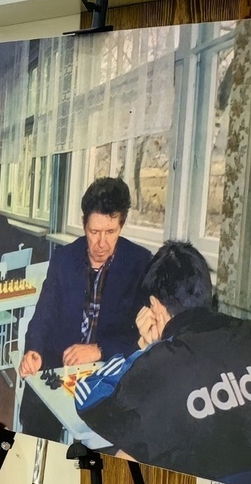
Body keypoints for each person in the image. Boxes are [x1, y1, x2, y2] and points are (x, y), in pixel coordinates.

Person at [75, 241, 251, 484]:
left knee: (126, 456)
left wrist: (141, 346)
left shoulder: (165, 359)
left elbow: (88, 398)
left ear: (155, 306)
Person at [17, 177, 151, 440]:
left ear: (122, 224)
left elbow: (141, 335)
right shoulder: (63, 259)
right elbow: (43, 315)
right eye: (94, 232)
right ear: (83, 225)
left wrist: (100, 349)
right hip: (59, 364)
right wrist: (33, 350)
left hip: (108, 369)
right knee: (36, 428)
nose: (101, 243)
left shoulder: (139, 263)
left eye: (110, 232)